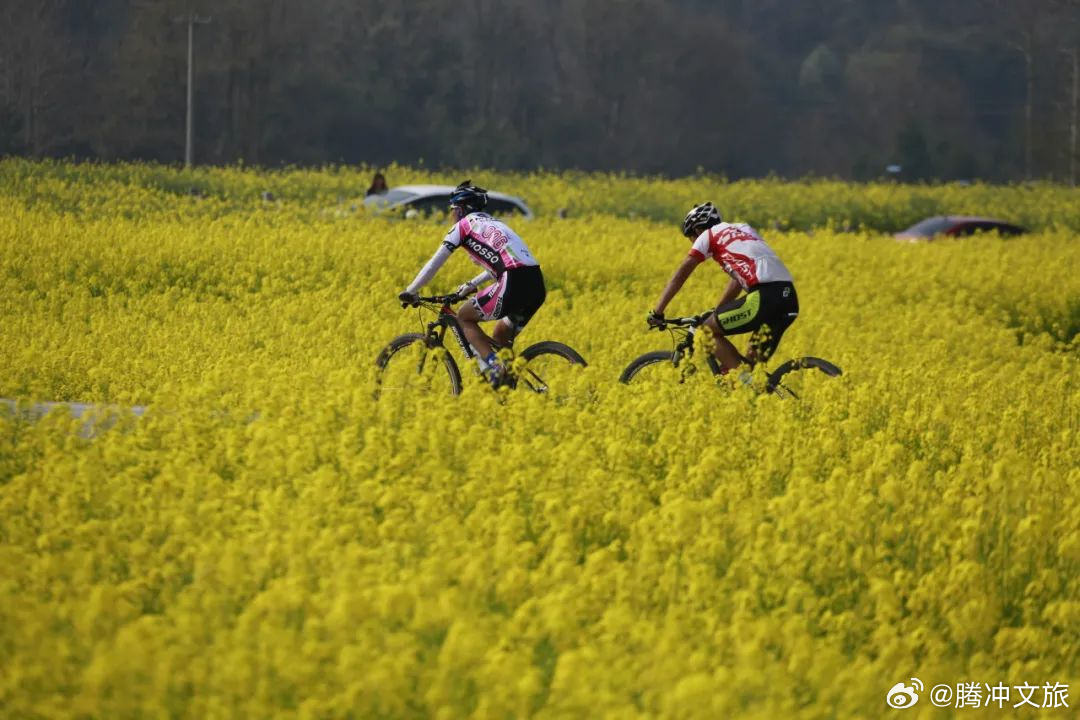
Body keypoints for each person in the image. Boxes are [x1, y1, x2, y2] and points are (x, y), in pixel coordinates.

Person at [398, 180, 546, 387]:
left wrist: (410, 291)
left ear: (459, 210)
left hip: (512, 280)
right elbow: (503, 262)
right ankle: (508, 388)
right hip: (536, 283)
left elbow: (433, 264)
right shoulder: (496, 224)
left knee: (464, 317)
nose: (451, 216)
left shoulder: (464, 226)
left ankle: (495, 370)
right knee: (500, 335)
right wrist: (470, 285)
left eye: (452, 210)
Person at [648, 202, 799, 373]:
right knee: (752, 365)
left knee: (704, 333)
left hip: (764, 296)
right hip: (789, 298)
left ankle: (744, 380)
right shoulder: (743, 229)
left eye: (690, 237)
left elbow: (681, 273)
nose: (692, 242)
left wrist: (658, 311)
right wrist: (718, 311)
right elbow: (737, 280)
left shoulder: (707, 235)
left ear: (697, 229)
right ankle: (756, 392)